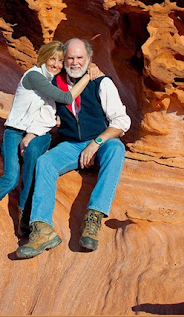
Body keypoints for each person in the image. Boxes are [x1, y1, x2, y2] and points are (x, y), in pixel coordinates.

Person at [0, 41, 103, 248]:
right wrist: (87, 75)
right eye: (52, 59)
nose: (56, 64)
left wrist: (32, 134)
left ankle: (25, 216)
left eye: (60, 60)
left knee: (33, 157)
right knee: (11, 178)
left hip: (39, 133)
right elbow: (66, 98)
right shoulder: (34, 76)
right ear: (44, 58)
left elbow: (49, 115)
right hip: (14, 132)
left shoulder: (56, 80)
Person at [16, 38, 131, 259]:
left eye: (80, 58)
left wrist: (95, 144)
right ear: (64, 60)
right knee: (45, 162)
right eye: (70, 58)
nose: (75, 62)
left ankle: (93, 218)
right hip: (70, 145)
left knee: (116, 149)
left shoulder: (102, 82)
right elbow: (47, 117)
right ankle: (42, 229)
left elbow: (121, 121)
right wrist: (30, 135)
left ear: (89, 60)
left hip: (100, 141)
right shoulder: (55, 83)